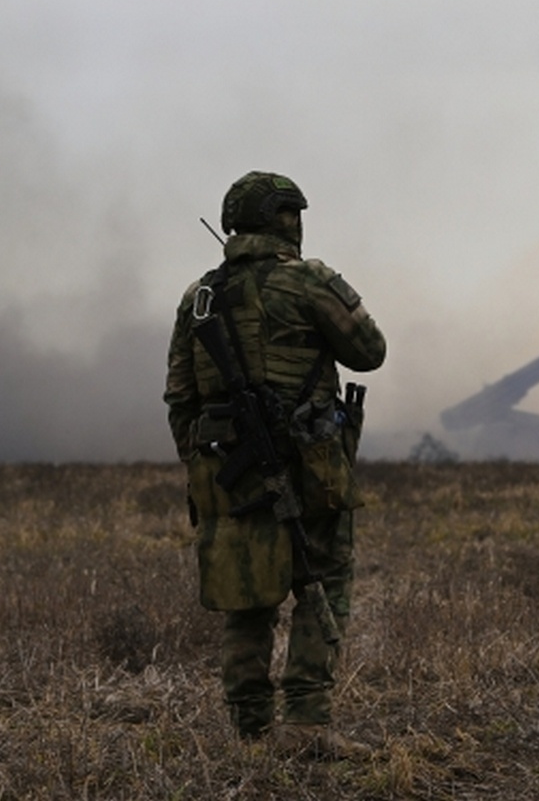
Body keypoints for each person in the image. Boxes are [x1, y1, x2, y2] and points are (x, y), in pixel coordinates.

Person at [164, 171, 386, 758]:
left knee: (246, 597)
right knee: (321, 583)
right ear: (288, 219)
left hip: (226, 471)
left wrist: (204, 461)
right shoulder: (308, 281)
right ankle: (308, 724)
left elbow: (180, 397)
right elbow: (371, 352)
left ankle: (251, 732)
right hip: (311, 466)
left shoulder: (199, 298)